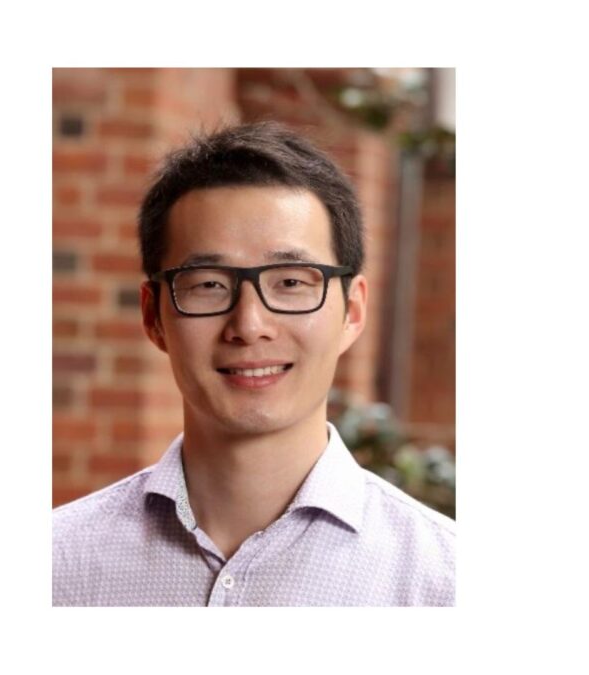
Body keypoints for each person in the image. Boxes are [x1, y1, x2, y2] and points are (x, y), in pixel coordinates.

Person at [52, 122, 455, 606]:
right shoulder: (55, 566)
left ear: (352, 311)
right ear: (153, 316)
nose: (249, 324)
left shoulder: (446, 583)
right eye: (208, 284)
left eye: (290, 282)